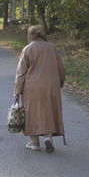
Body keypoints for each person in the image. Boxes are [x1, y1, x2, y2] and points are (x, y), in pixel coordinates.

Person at [14, 25, 66, 153]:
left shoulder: (27, 49)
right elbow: (61, 68)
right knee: (48, 110)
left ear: (30, 35)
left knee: (31, 113)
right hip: (51, 85)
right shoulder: (52, 48)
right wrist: (60, 82)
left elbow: (21, 73)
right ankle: (48, 137)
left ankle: (35, 143)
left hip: (32, 86)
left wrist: (17, 92)